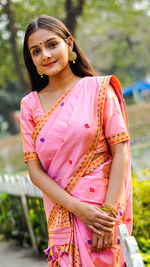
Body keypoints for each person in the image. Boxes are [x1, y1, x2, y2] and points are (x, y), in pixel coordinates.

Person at [20, 15, 132, 267]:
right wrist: (79, 209)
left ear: (69, 44)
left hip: (103, 214)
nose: (45, 55)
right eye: (35, 51)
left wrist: (109, 215)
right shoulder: (30, 105)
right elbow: (34, 171)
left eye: (52, 45)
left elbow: (121, 152)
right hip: (64, 216)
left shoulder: (100, 89)